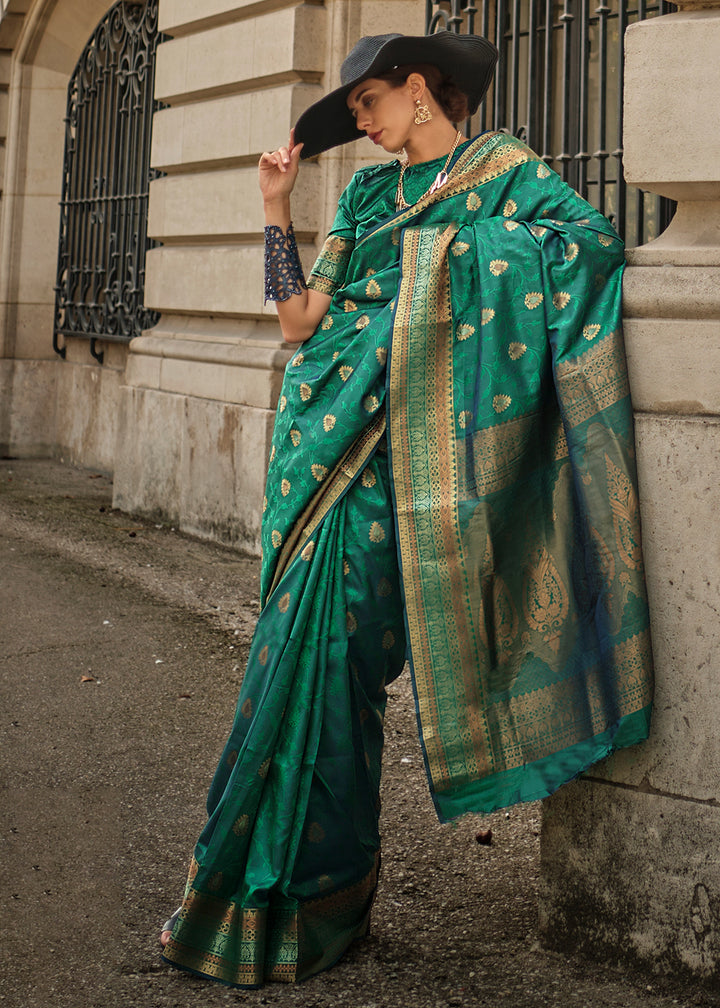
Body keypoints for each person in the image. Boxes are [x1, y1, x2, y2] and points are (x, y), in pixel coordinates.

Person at [160, 32, 654, 988]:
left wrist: (450, 261)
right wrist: (274, 212)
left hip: (421, 474)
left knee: (346, 660)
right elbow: (299, 321)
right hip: (327, 457)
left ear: (419, 90)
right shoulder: (362, 197)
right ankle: (277, 898)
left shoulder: (507, 173)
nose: (361, 120)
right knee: (298, 660)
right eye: (352, 112)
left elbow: (589, 247)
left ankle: (321, 893)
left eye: (367, 102)